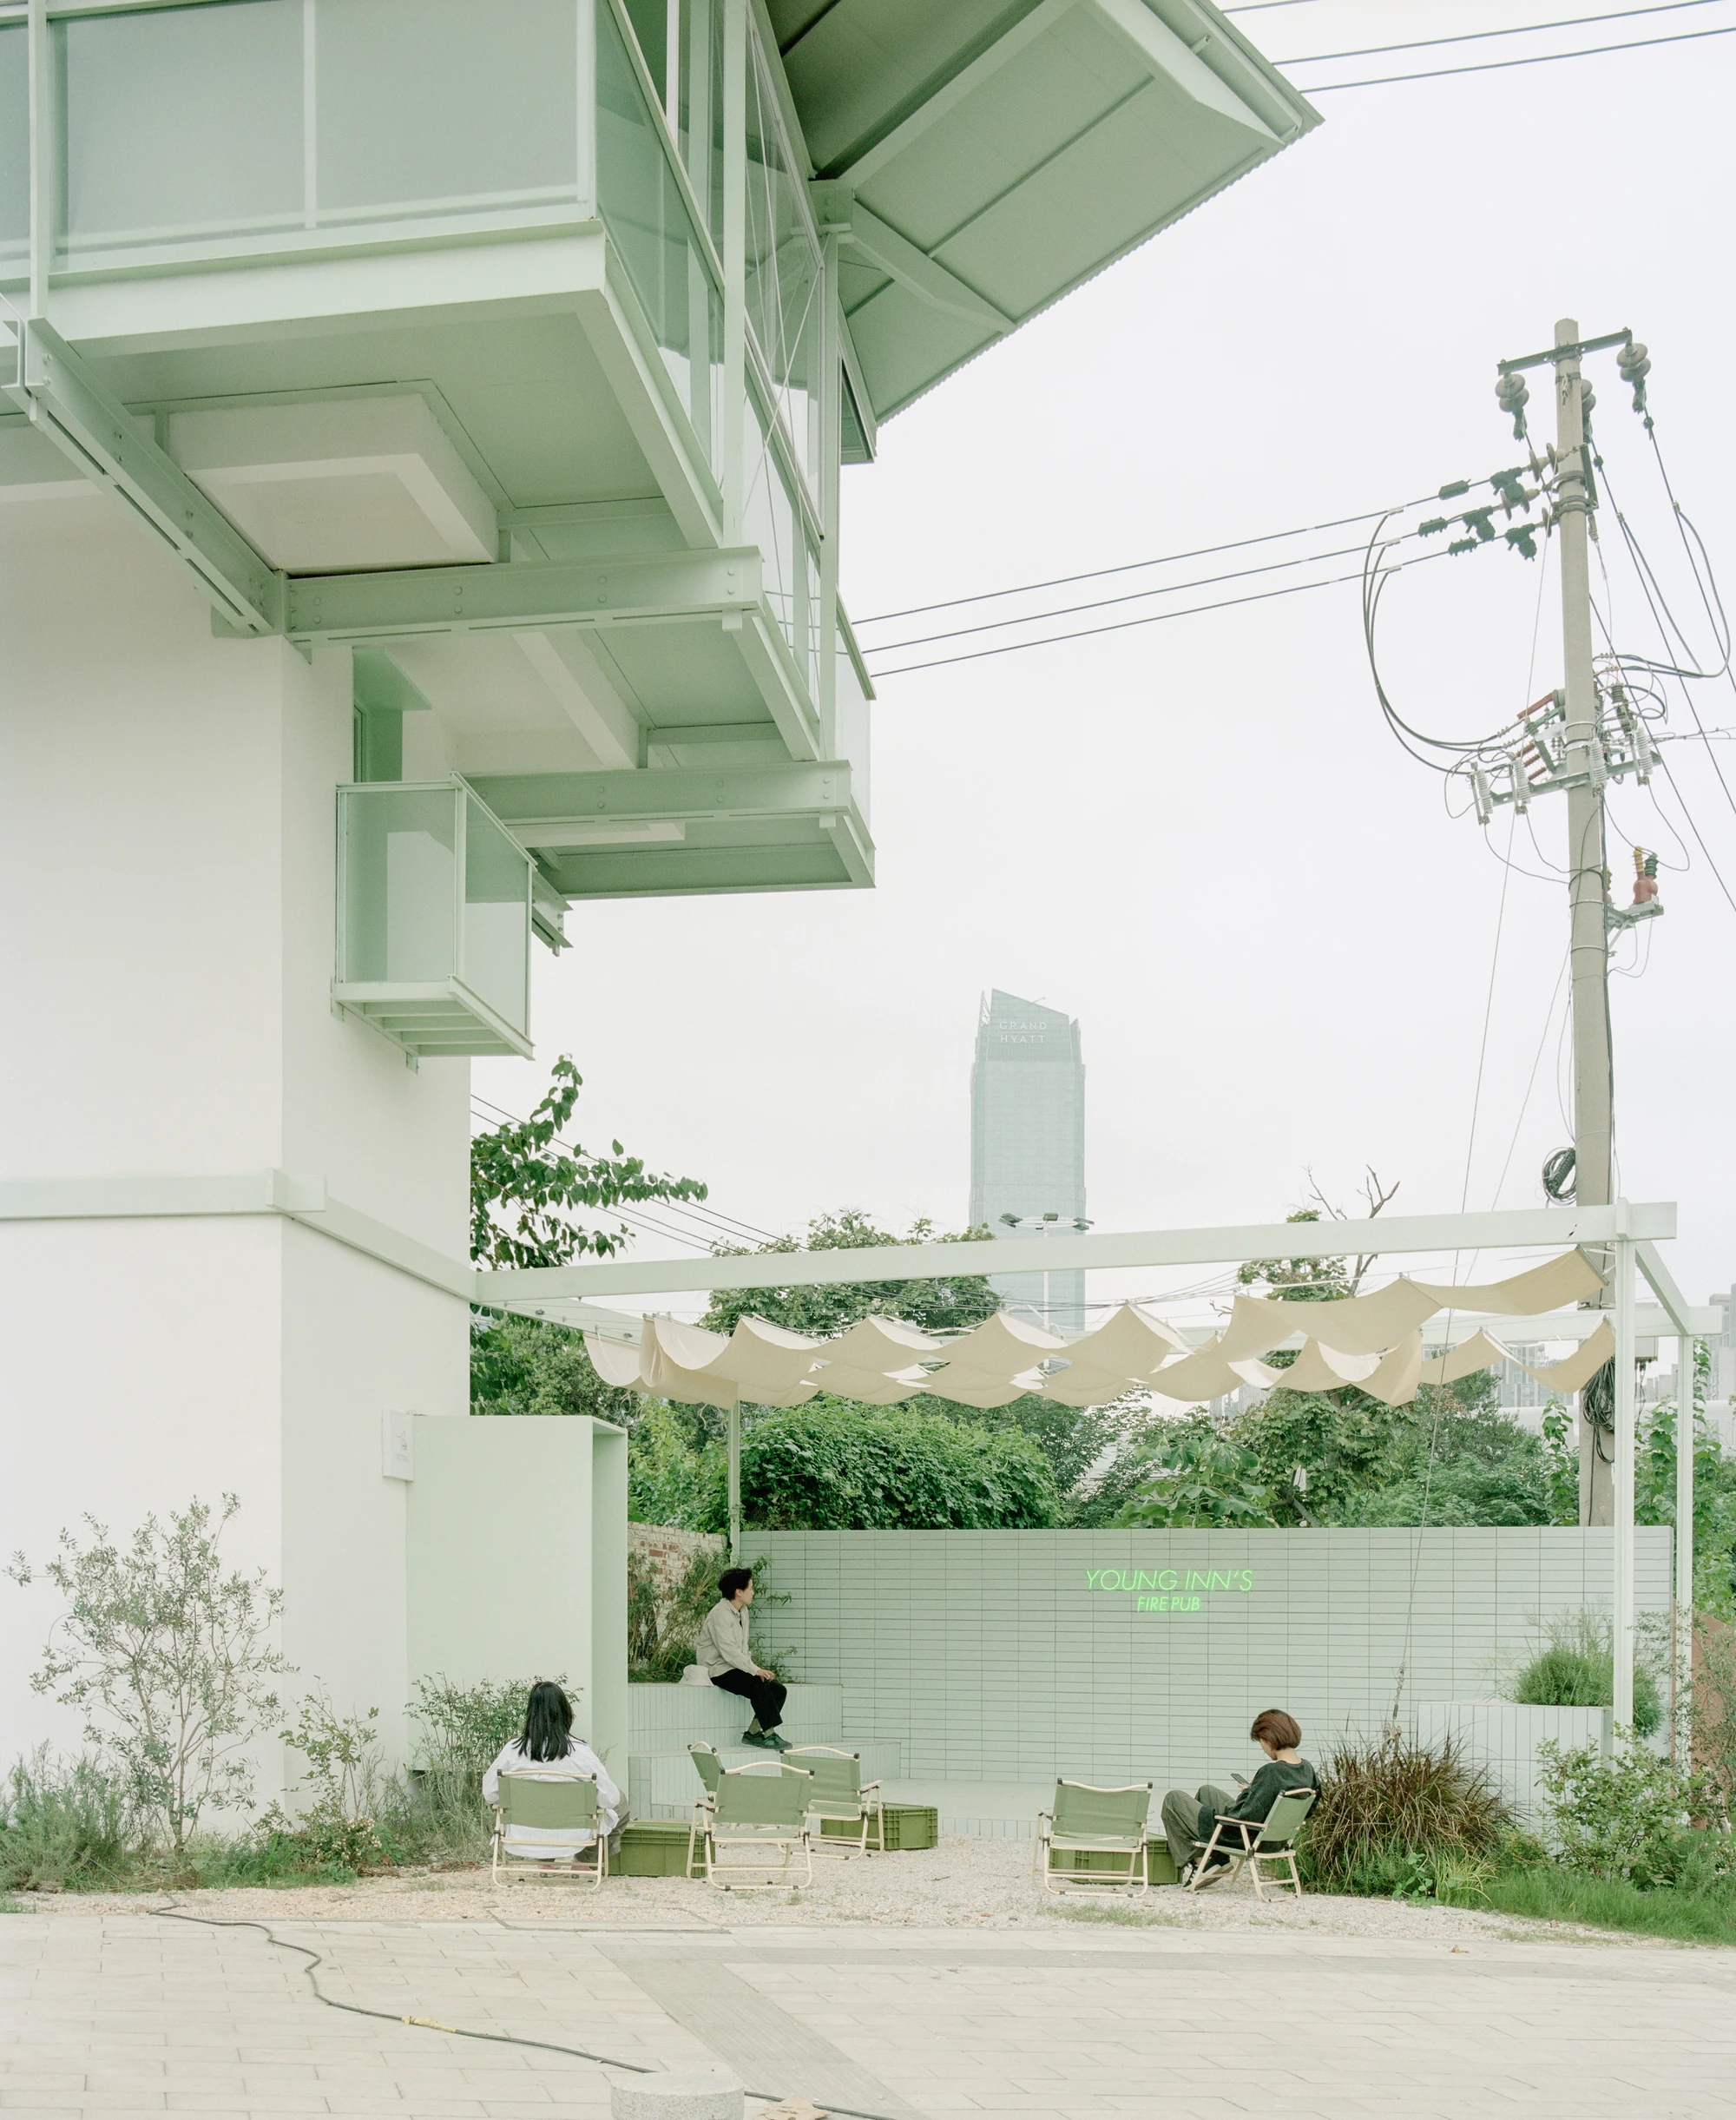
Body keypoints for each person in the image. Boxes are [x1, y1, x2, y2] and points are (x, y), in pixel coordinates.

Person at [1160, 1709, 1315, 1886]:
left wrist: (1248, 1793)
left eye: (1261, 1741)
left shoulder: (1271, 1772)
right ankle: (1216, 1860)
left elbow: (1245, 1815)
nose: (1263, 1748)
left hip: (1245, 1837)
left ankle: (1203, 1862)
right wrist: (1255, 1790)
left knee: (1174, 1799)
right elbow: (1307, 1809)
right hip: (1276, 1839)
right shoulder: (1307, 1770)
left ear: (1269, 1738)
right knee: (1207, 1792)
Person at [481, 1679, 626, 1865]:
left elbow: (490, 1794)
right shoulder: (580, 1752)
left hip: (523, 1834)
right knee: (620, 1801)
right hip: (574, 1834)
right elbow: (610, 1799)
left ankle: (544, 1862)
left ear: (530, 1714)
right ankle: (583, 1862)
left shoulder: (512, 1750)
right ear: (565, 1712)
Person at [694, 1565, 789, 1749]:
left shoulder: (742, 1611)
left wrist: (755, 1670)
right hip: (717, 1669)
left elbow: (743, 1649)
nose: (753, 1592)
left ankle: (752, 1733)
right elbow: (729, 1651)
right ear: (738, 1592)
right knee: (757, 1685)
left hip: (734, 1667)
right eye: (750, 1588)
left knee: (778, 1690)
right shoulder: (719, 1614)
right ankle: (769, 1734)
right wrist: (755, 1670)